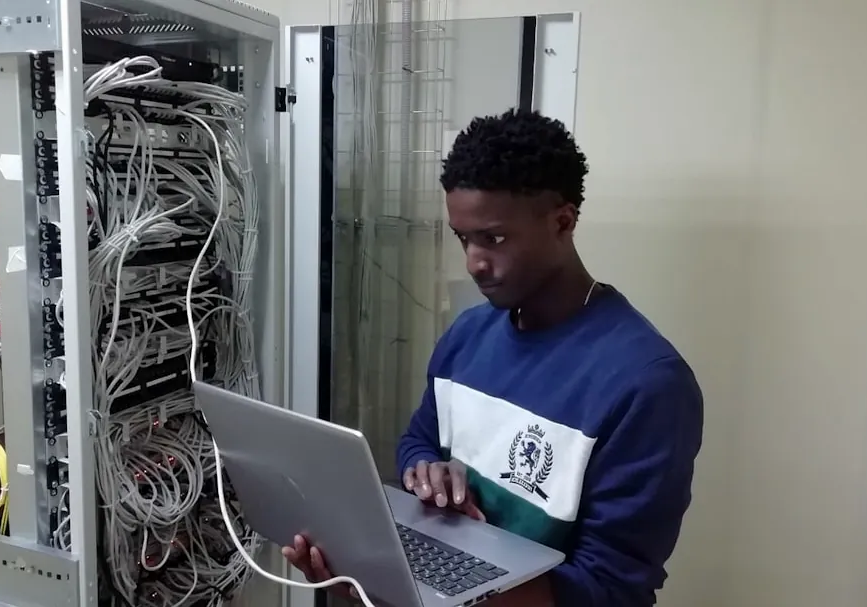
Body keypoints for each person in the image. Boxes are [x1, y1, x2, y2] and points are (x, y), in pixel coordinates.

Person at [283, 108, 704, 606]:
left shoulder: (646, 383)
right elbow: (420, 438)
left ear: (562, 221)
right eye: (464, 238)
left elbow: (611, 587)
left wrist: (436, 586)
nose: (474, 262)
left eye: (494, 238)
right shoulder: (468, 335)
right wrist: (423, 476)